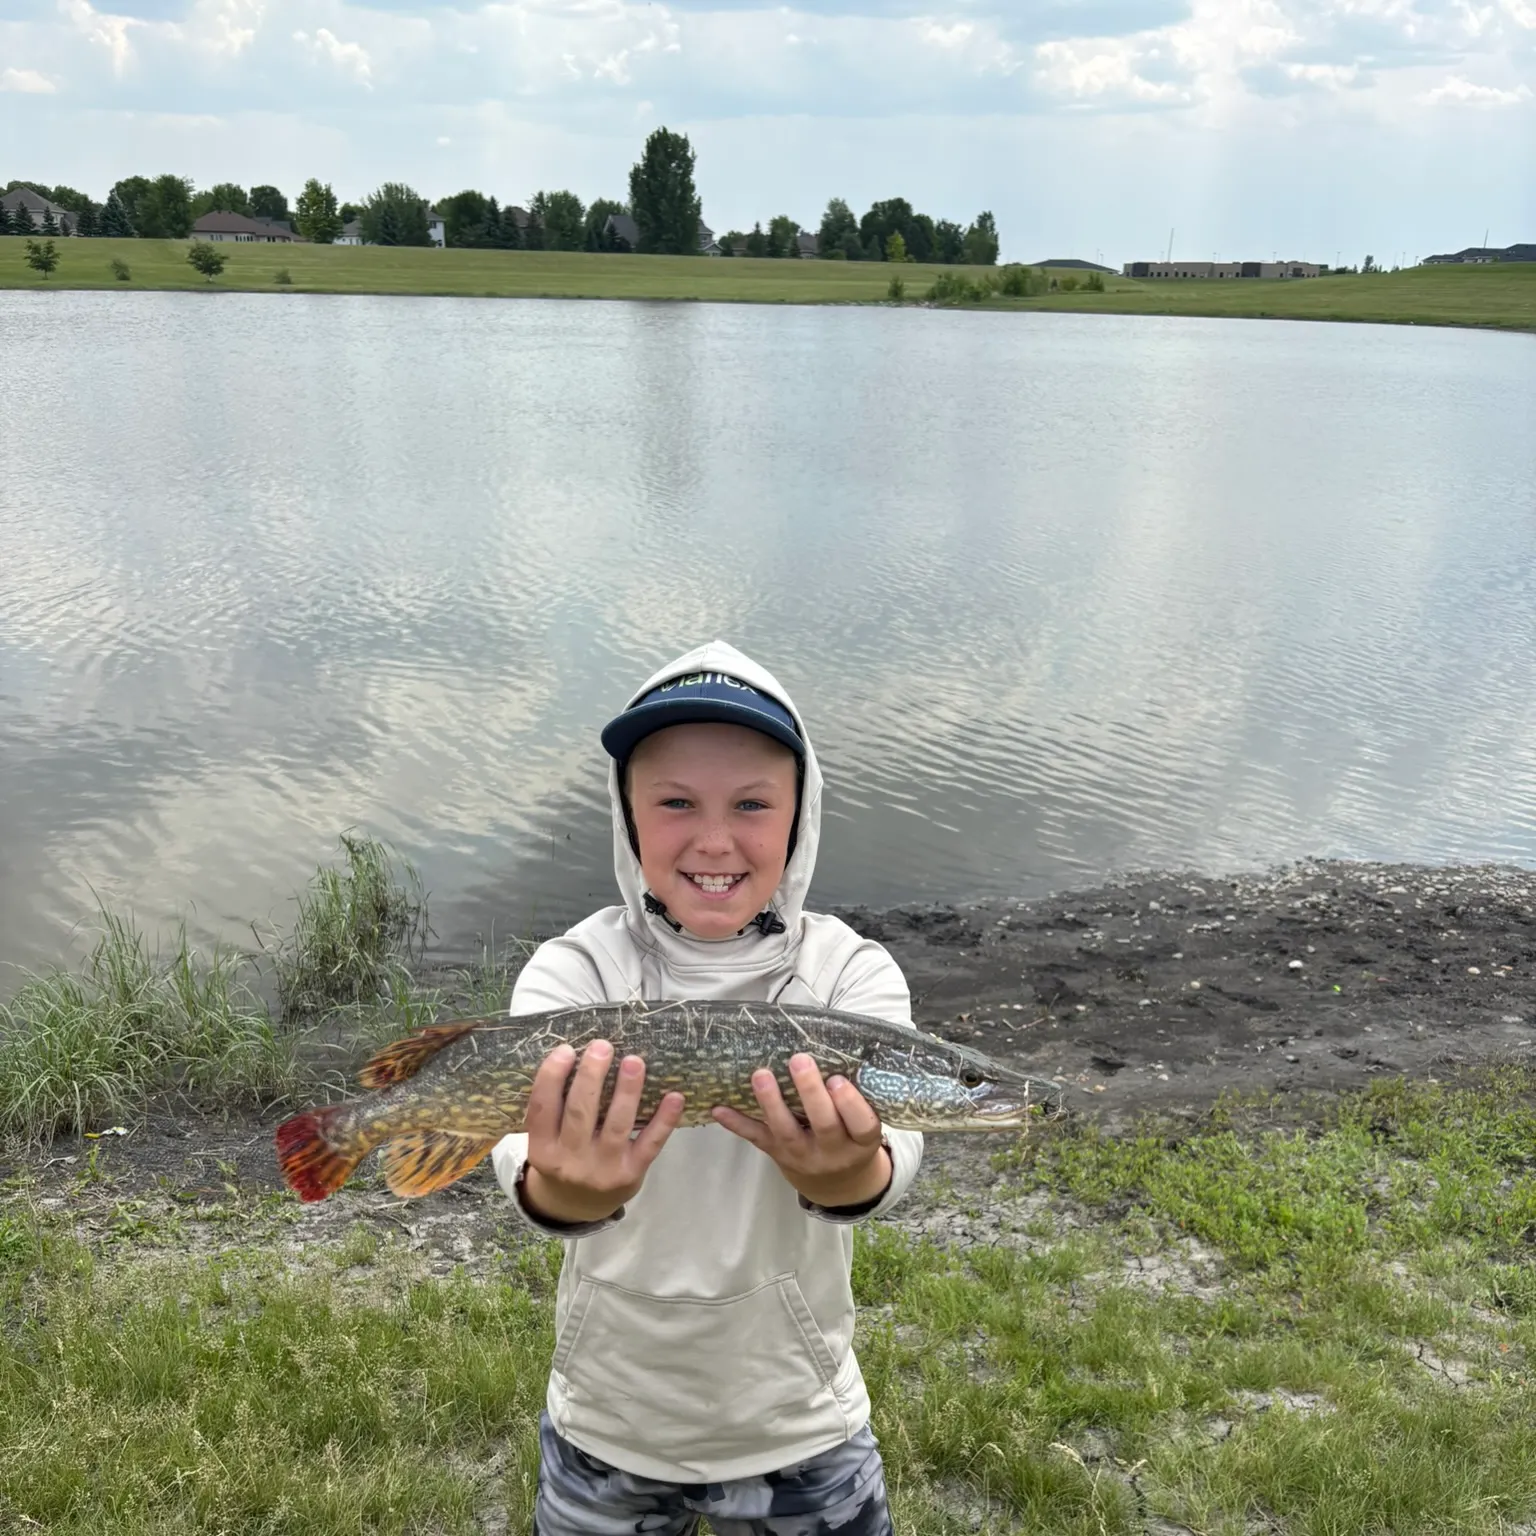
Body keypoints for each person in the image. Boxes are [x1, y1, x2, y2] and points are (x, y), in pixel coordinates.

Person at [491, 639, 925, 1536]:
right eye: (676, 803)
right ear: (629, 817)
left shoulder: (848, 975)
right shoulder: (574, 971)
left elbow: (897, 1148)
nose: (716, 839)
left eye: (753, 804)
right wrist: (563, 1192)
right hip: (608, 1420)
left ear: (801, 816)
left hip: (800, 1417)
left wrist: (848, 1177)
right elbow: (515, 1153)